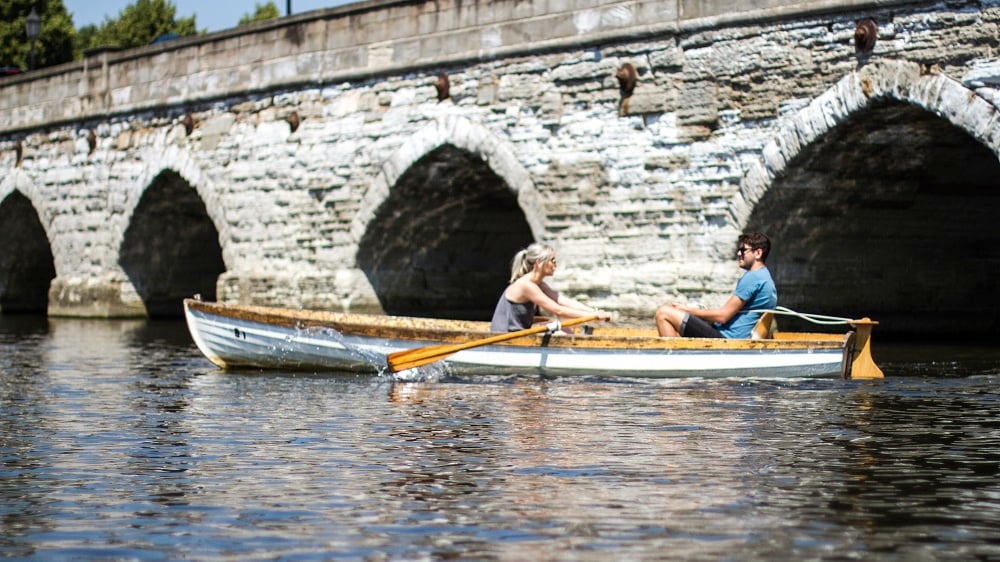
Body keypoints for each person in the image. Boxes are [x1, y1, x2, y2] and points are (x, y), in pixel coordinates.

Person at [654, 232, 777, 338]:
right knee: (674, 324)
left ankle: (675, 362)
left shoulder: (753, 277)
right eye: (738, 250)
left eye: (743, 250)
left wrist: (687, 310)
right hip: (730, 333)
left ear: (758, 253)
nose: (739, 254)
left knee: (663, 313)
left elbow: (722, 316)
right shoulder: (765, 277)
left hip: (727, 338)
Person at [490, 243, 612, 332]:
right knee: (561, 329)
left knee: (564, 328)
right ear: (539, 263)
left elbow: (563, 301)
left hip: (520, 334)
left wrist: (594, 312)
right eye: (552, 260)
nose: (555, 264)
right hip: (504, 337)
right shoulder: (526, 286)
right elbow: (558, 310)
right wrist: (592, 317)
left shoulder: (539, 285)